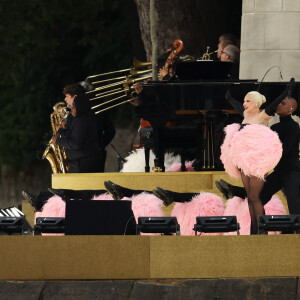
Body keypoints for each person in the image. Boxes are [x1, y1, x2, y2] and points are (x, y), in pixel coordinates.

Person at [220, 78, 295, 234]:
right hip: (244, 161)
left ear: (255, 104)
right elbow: (238, 106)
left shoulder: (263, 116)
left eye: (248, 101)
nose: (244, 104)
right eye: (244, 101)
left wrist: (287, 91)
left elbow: (274, 103)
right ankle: (254, 230)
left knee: (255, 197)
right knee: (249, 197)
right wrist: (229, 98)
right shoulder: (246, 115)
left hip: (257, 162)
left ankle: (262, 230)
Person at [216, 96, 300, 214]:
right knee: (259, 197)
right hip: (279, 171)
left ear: (291, 109)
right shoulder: (274, 127)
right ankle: (262, 226)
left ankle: (296, 228)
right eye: (279, 103)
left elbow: (285, 149)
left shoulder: (293, 126)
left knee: (293, 198)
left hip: (292, 170)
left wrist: (264, 159)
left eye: (283, 103)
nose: (279, 105)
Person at [62, 83, 115, 172]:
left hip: (84, 159)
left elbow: (76, 142)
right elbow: (111, 131)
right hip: (94, 155)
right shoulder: (97, 108)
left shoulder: (82, 112)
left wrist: (98, 146)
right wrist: (99, 146)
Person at [52, 93, 103, 173]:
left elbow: (76, 144)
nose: (65, 99)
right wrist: (62, 130)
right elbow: (73, 137)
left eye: (67, 96)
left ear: (74, 97)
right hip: (77, 162)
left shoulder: (81, 118)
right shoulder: (73, 116)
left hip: (82, 164)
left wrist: (58, 140)